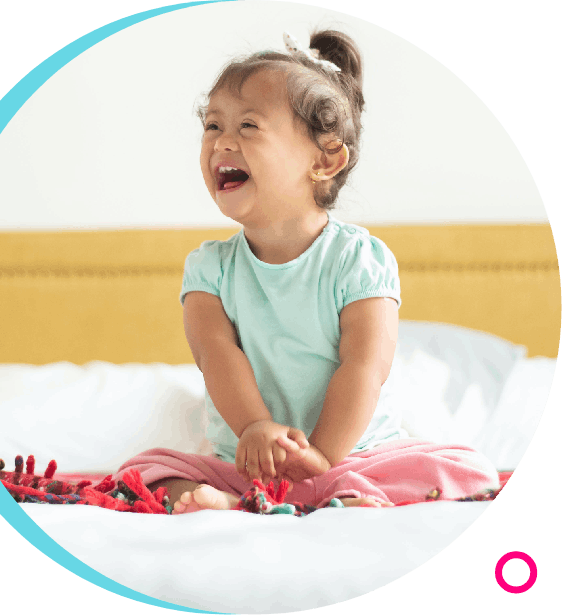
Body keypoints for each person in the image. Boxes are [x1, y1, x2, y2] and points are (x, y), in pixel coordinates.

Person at [114, 29, 499, 514]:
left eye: (248, 126)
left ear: (324, 159)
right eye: (213, 126)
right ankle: (242, 501)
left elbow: (364, 366)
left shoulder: (359, 259)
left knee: (468, 470)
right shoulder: (208, 269)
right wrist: (255, 428)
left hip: (353, 456)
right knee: (143, 472)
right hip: (246, 466)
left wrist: (322, 455)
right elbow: (216, 357)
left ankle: (344, 492)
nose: (221, 143)